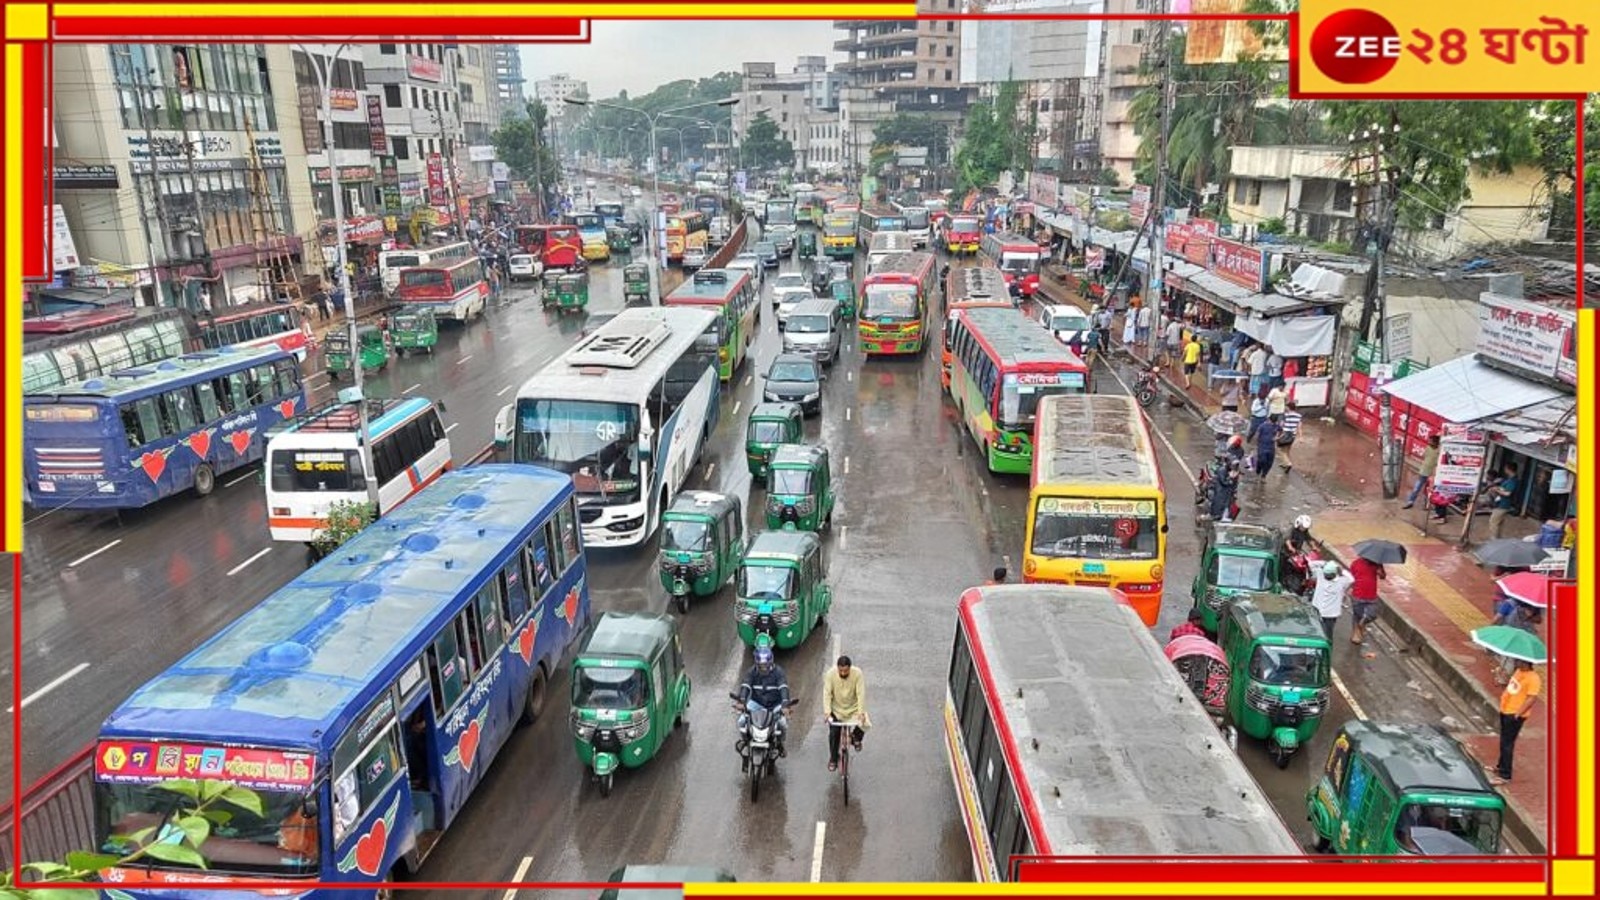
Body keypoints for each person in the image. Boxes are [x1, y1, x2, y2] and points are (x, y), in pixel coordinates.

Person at [1491, 659, 1541, 785]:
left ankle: (1505, 775)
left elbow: (1531, 698)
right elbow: (1512, 687)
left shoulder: (1533, 679)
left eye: (1518, 661)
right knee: (1503, 740)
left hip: (1514, 714)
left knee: (1507, 744)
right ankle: (1500, 766)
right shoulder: (1518, 671)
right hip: (1506, 709)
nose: (1516, 663)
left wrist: (1518, 713)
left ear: (1525, 663)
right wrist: (1500, 679)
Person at [736, 645, 791, 756]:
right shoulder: (751, 672)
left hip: (774, 705)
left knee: (782, 723)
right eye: (761, 666)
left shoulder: (779, 673)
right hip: (757, 703)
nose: (764, 668)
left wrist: (785, 705)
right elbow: (745, 687)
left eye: (766, 665)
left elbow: (783, 689)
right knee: (741, 721)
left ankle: (780, 744)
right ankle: (745, 741)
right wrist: (741, 701)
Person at [824, 655, 869, 772]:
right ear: (837, 668)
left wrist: (860, 712)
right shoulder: (830, 675)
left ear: (850, 668)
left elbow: (861, 694)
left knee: (865, 723)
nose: (843, 673)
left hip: (852, 708)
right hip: (836, 709)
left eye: (846, 671)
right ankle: (833, 759)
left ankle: (855, 737)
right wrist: (827, 712)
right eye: (841, 671)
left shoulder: (858, 674)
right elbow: (827, 694)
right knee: (834, 733)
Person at [1309, 561, 1354, 640]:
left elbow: (1351, 579)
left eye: (1329, 575)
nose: (1326, 576)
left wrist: (1340, 568)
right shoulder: (1320, 575)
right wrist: (1324, 563)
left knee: (1327, 635)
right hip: (1317, 609)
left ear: (1334, 574)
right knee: (1314, 632)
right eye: (1326, 574)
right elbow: (1311, 564)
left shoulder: (1342, 581)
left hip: (1330, 614)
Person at [1349, 555, 1387, 645]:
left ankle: (1361, 625)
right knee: (1357, 615)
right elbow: (1351, 578)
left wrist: (1380, 572)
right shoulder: (1355, 563)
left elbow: (1383, 576)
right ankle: (1356, 634)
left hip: (1371, 595)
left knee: (1372, 614)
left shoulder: (1377, 564)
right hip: (1358, 594)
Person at [1402, 434, 1442, 509]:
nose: (1429, 442)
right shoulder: (1428, 448)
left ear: (1436, 442)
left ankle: (1426, 504)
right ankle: (1410, 501)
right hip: (1424, 471)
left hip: (1432, 473)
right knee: (1417, 488)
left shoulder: (1439, 451)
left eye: (1431, 441)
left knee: (1428, 490)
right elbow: (1424, 457)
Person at [1486, 462, 1520, 539]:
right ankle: (1497, 539)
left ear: (1509, 469)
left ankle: (1494, 539)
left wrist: (1497, 490)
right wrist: (1498, 488)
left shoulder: (1512, 481)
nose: (1504, 470)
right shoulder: (1510, 479)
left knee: (1493, 522)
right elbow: (1505, 489)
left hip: (1503, 504)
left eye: (1505, 468)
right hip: (1501, 503)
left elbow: (1508, 493)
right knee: (1498, 523)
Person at [1277, 400, 1302, 474]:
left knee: (1280, 450)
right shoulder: (1299, 416)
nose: (1285, 407)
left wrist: (1278, 435)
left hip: (1285, 434)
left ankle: (1288, 463)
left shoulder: (1285, 415)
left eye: (1286, 406)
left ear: (1288, 407)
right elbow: (1299, 427)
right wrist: (1300, 437)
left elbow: (1281, 425)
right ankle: (1284, 463)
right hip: (1292, 436)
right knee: (1287, 449)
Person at [1253, 415, 1280, 479]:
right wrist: (1257, 443)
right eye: (1272, 422)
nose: (1272, 423)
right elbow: (1257, 434)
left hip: (1271, 447)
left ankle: (1264, 475)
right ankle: (1258, 469)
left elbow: (1280, 431)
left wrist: (1277, 437)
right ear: (1269, 419)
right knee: (1262, 460)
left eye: (1274, 422)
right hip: (1262, 446)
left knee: (1269, 462)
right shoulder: (1262, 426)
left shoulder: (1277, 426)